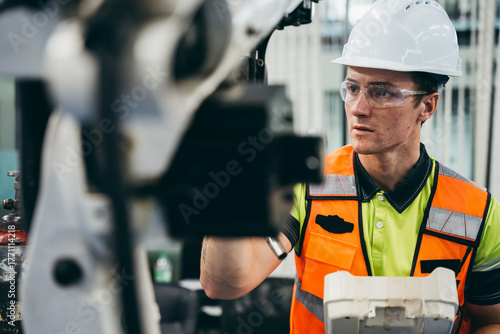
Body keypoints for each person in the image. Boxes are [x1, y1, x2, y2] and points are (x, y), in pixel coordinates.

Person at [200, 0, 500, 333]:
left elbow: (493, 322)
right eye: (353, 88)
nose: (358, 108)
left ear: (427, 105)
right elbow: (224, 285)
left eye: (382, 93)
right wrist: (231, 175)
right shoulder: (308, 184)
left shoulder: (478, 213)